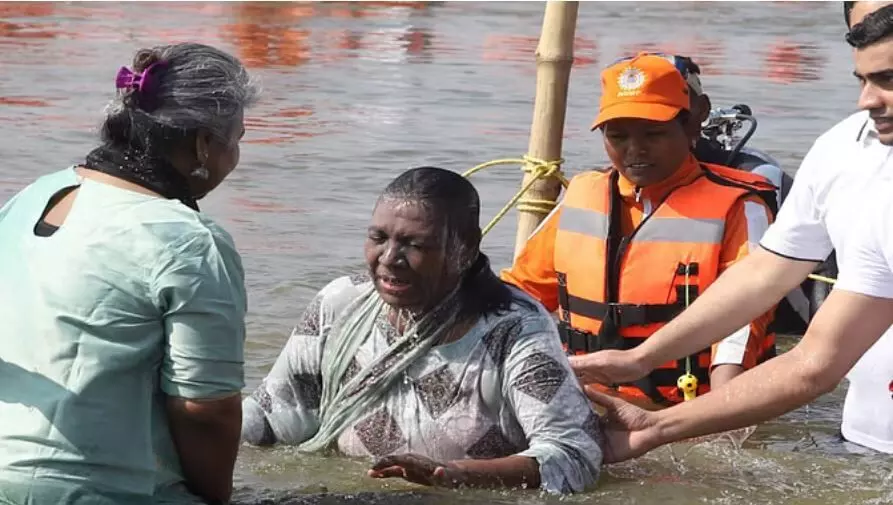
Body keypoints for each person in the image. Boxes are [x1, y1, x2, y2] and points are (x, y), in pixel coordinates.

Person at [571, 0, 893, 459]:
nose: (866, 100)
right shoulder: (845, 151)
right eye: (863, 80)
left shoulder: (741, 200)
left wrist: (660, 424)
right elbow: (802, 338)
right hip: (865, 445)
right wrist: (639, 367)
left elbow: (810, 364)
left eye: (889, 80)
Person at [0, 43, 258, 504]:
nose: (234, 156)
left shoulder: (32, 196)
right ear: (202, 142)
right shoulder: (189, 239)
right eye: (236, 138)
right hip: (97, 491)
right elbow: (207, 410)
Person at [242, 167, 603, 494]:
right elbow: (273, 418)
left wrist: (455, 475)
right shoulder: (339, 307)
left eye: (415, 245)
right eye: (378, 237)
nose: (389, 258)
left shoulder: (514, 328)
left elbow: (574, 455)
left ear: (465, 249)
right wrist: (194, 419)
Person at [500, 53, 778, 412]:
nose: (635, 150)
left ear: (692, 125)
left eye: (654, 134)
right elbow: (519, 297)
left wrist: (719, 424)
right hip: (583, 398)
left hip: (688, 408)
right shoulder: (582, 197)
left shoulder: (739, 207)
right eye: (617, 136)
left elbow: (743, 323)